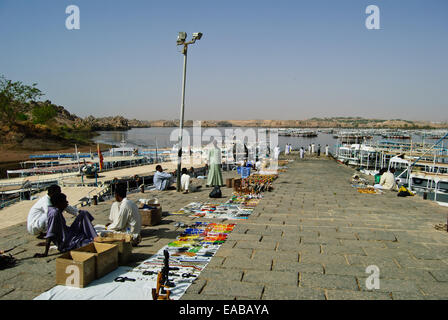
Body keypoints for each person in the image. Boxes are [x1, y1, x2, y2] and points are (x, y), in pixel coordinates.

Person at [34, 193, 97, 257]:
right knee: (89, 244)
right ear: (58, 203)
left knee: (83, 213)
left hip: (69, 233)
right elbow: (50, 233)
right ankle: (93, 238)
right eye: (64, 201)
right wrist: (45, 253)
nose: (67, 202)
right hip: (67, 242)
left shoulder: (57, 210)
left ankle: (93, 236)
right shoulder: (54, 213)